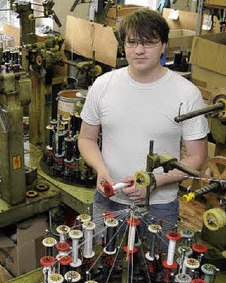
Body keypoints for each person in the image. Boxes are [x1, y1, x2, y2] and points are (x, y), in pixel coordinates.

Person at [78, 8, 209, 238]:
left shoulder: (187, 94)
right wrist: (100, 170)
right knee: (102, 265)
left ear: (164, 45)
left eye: (148, 43)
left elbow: (196, 158)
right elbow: (86, 138)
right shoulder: (103, 85)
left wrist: (154, 182)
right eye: (132, 42)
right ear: (123, 45)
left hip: (159, 207)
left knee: (157, 269)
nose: (139, 50)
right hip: (108, 199)